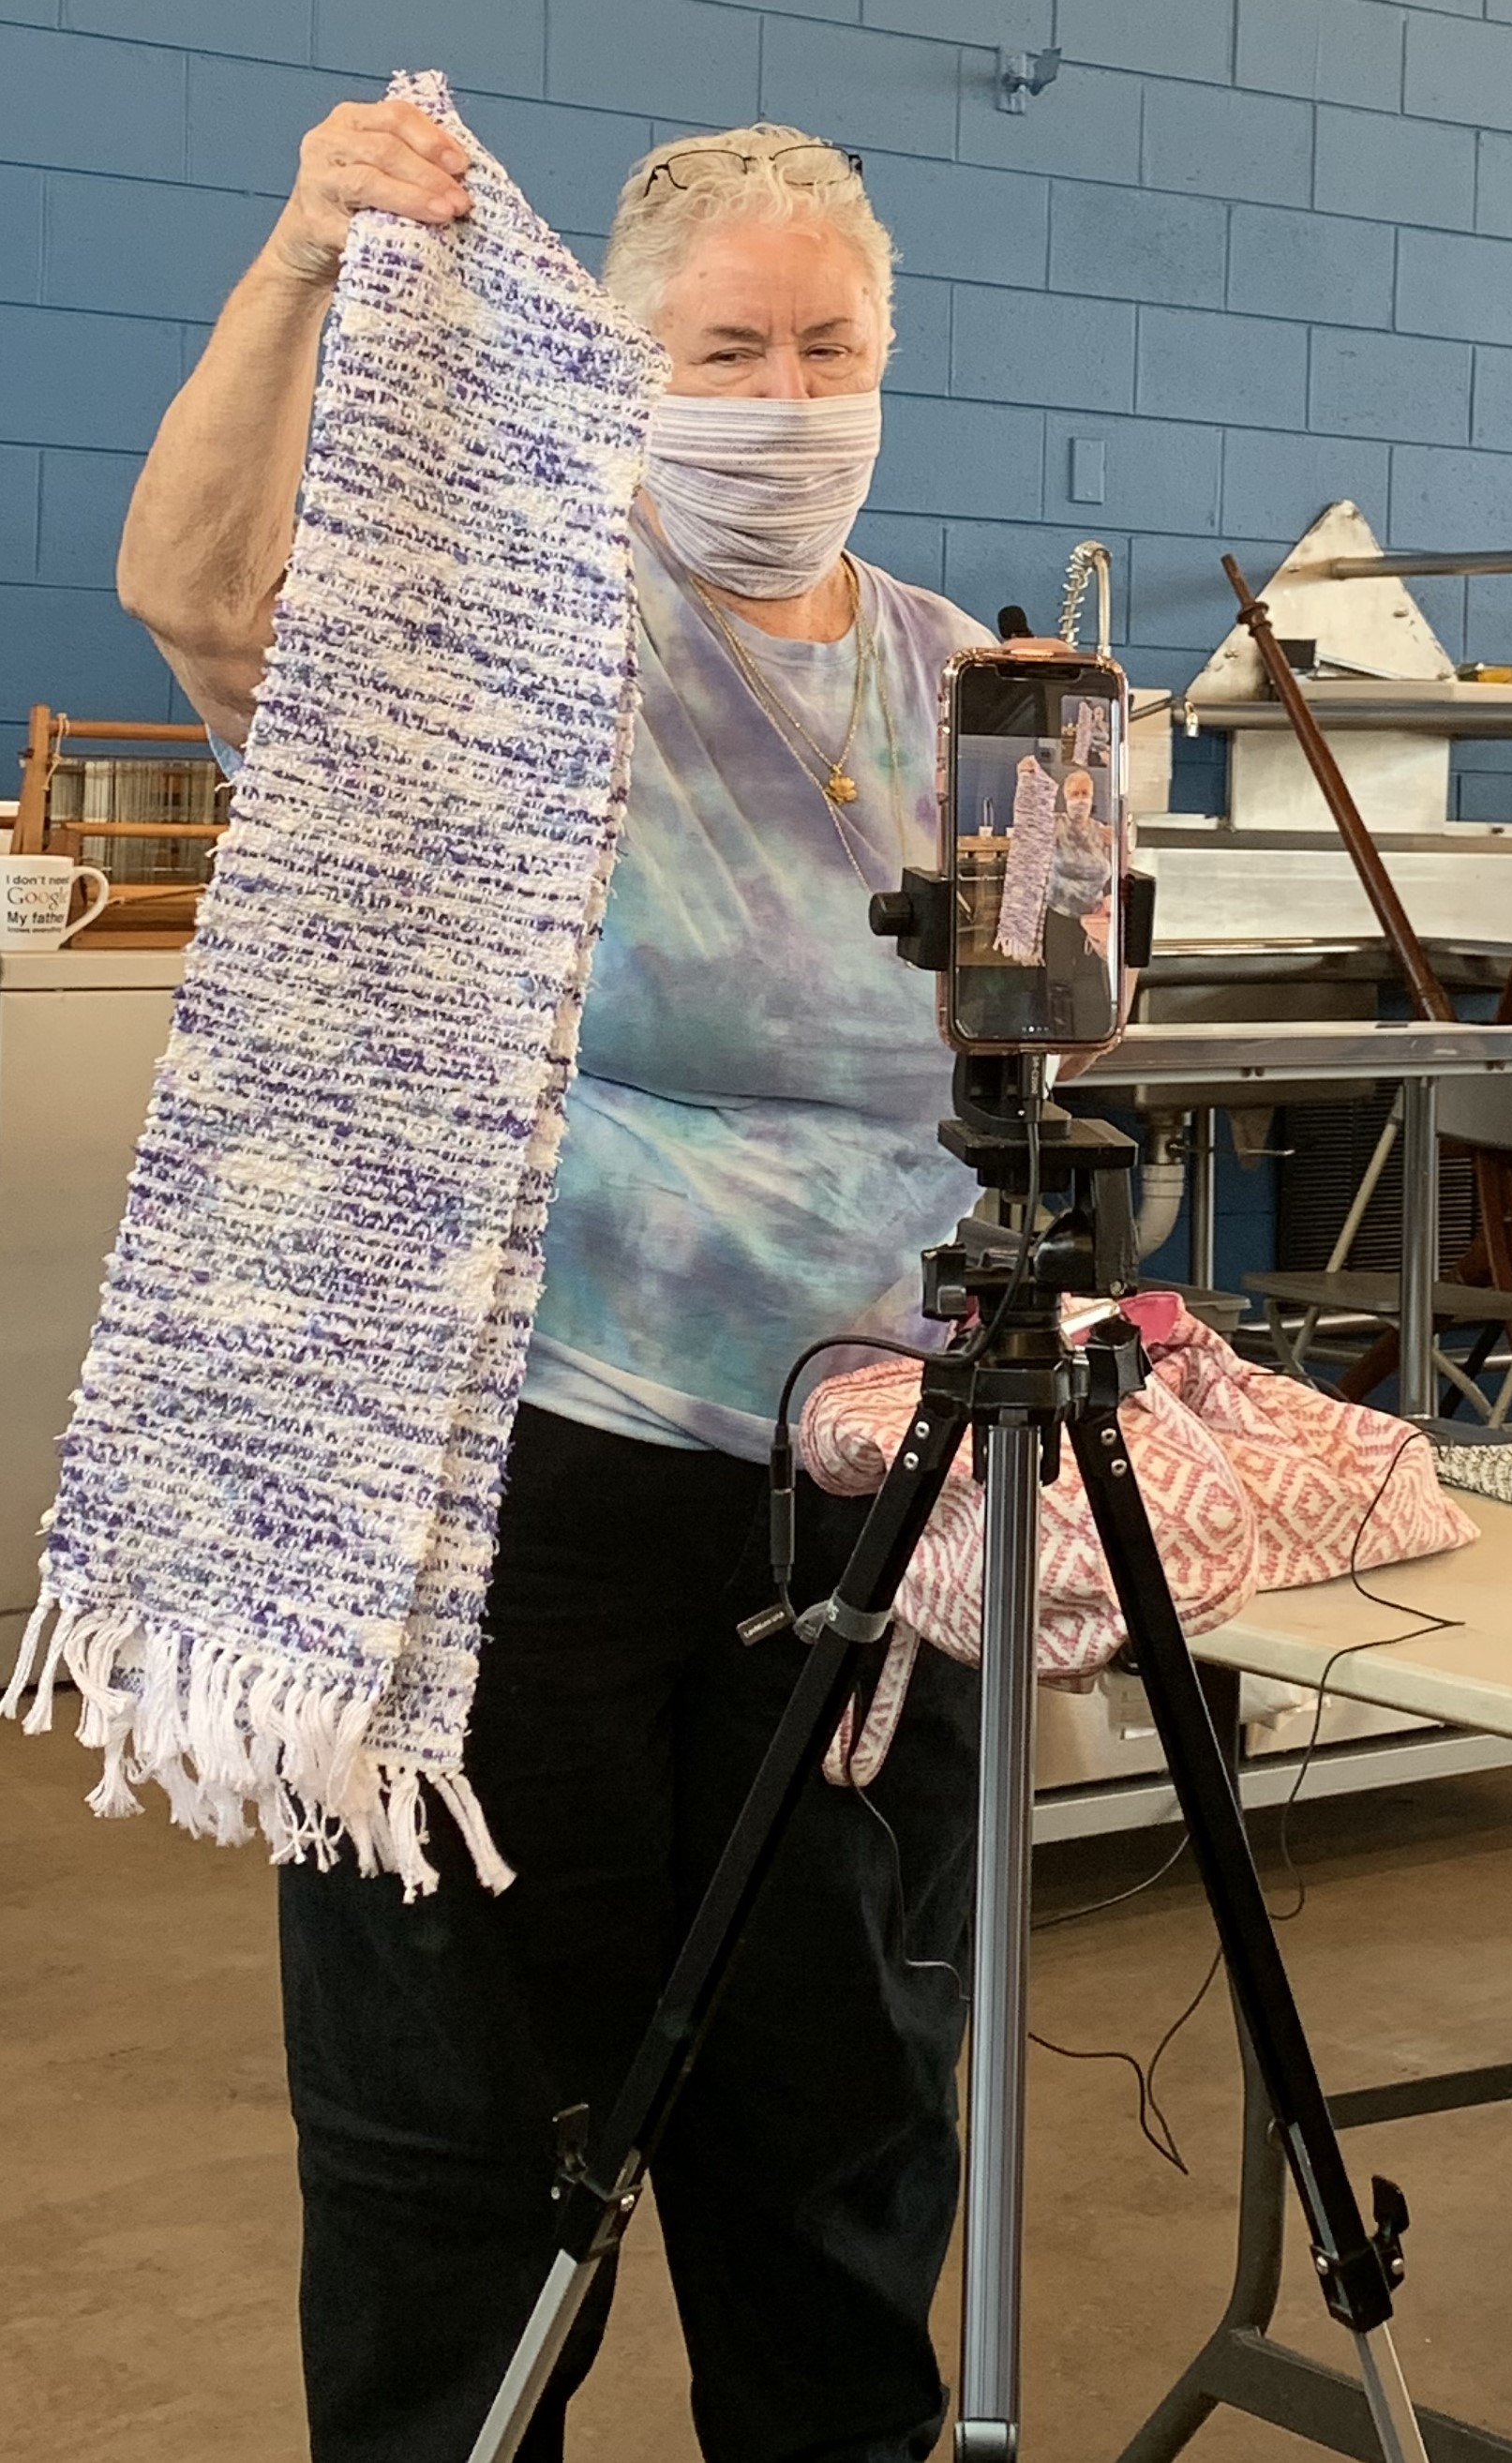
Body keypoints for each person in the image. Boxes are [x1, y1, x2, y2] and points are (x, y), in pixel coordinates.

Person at [116, 99, 995, 2463]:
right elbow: (199, 601)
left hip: (864, 1514)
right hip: (521, 1493)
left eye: (832, 347)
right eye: (728, 348)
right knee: (461, 2143)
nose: (787, 394)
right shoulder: (505, 639)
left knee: (839, 2138)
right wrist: (305, 255)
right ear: (619, 361)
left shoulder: (966, 690)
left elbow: (1053, 1033)